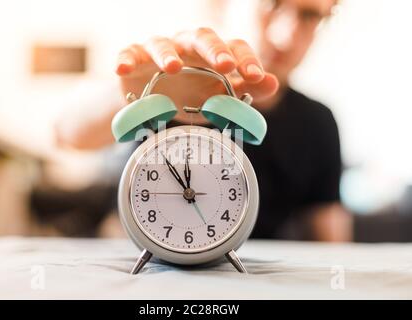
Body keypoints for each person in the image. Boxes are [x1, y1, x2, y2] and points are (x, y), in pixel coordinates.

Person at [56, 0, 353, 241]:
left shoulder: (318, 123)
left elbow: (331, 241)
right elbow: (65, 133)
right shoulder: (167, 80)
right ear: (221, 5)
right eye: (271, 3)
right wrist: (131, 93)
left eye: (310, 15)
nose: (285, 35)